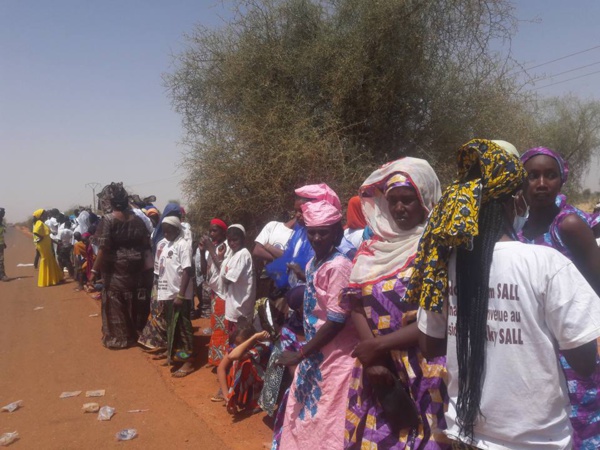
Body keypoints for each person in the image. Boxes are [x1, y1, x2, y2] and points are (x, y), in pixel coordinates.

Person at [411, 139, 600, 449]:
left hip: (465, 435)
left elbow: (430, 345)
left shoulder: (444, 266)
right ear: (516, 201)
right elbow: (584, 362)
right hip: (536, 441)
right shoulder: (545, 263)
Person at [344, 158, 449, 449]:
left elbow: (439, 317)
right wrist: (375, 358)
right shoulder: (372, 249)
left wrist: (379, 346)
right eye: (393, 201)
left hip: (426, 367)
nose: (400, 208)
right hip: (380, 369)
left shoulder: (437, 249)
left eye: (408, 200)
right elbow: (355, 303)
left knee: (428, 437)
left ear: (426, 201)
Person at [518, 146, 600, 448]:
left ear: (561, 180)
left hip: (573, 346)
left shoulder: (568, 226)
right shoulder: (520, 228)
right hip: (539, 347)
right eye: (533, 176)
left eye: (550, 176)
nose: (541, 184)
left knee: (582, 427)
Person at [276, 198, 357, 449]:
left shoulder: (340, 266)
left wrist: (300, 353)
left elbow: (335, 321)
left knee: (328, 418)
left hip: (335, 358)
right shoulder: (313, 264)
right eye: (312, 233)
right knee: (306, 414)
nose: (317, 238)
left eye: (324, 233)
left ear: (338, 232)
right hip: (315, 354)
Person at [90, 183, 152, 349]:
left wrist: (94, 271)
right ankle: (137, 334)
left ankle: (120, 338)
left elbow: (103, 248)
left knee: (116, 302)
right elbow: (146, 243)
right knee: (135, 301)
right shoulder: (138, 220)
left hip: (115, 269)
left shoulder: (108, 221)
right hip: (136, 269)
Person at [155, 216, 195, 377]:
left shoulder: (183, 245)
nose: (165, 233)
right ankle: (176, 356)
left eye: (169, 230)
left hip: (179, 294)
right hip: (168, 293)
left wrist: (180, 294)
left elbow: (187, 270)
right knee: (173, 327)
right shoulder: (167, 245)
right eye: (163, 230)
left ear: (177, 230)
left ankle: (189, 361)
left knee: (184, 328)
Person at [215, 324, 271, 414]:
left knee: (246, 363)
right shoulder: (235, 347)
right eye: (236, 344)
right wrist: (226, 397)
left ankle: (257, 401)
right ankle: (237, 397)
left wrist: (254, 337)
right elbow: (221, 368)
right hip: (245, 382)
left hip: (261, 380)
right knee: (234, 365)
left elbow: (234, 355)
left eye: (240, 344)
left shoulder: (259, 346)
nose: (236, 347)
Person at [201, 218, 232, 367]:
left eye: (215, 230)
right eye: (210, 230)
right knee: (216, 325)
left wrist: (209, 249)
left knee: (223, 328)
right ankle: (216, 357)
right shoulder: (213, 247)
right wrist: (202, 253)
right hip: (215, 291)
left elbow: (223, 270)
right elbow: (203, 271)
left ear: (223, 232)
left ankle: (222, 362)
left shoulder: (226, 247)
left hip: (224, 293)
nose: (211, 233)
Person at [221, 224, 257, 337]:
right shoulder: (233, 254)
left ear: (243, 239)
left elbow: (227, 280)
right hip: (234, 303)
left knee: (240, 337)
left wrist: (224, 275)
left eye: (235, 240)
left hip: (240, 306)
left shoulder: (243, 254)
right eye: (229, 240)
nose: (232, 243)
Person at [32, 209, 64, 287]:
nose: (46, 215)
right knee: (46, 260)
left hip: (46, 243)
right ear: (41, 216)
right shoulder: (39, 223)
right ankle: (46, 280)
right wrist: (41, 238)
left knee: (50, 259)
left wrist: (56, 242)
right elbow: (35, 232)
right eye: (45, 214)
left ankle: (53, 279)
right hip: (43, 245)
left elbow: (48, 237)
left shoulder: (42, 223)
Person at [0, 208, 8, 281]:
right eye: (2, 213)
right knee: (1, 260)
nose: (3, 214)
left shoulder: (1, 222)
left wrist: (4, 243)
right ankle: (2, 275)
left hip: (1, 244)